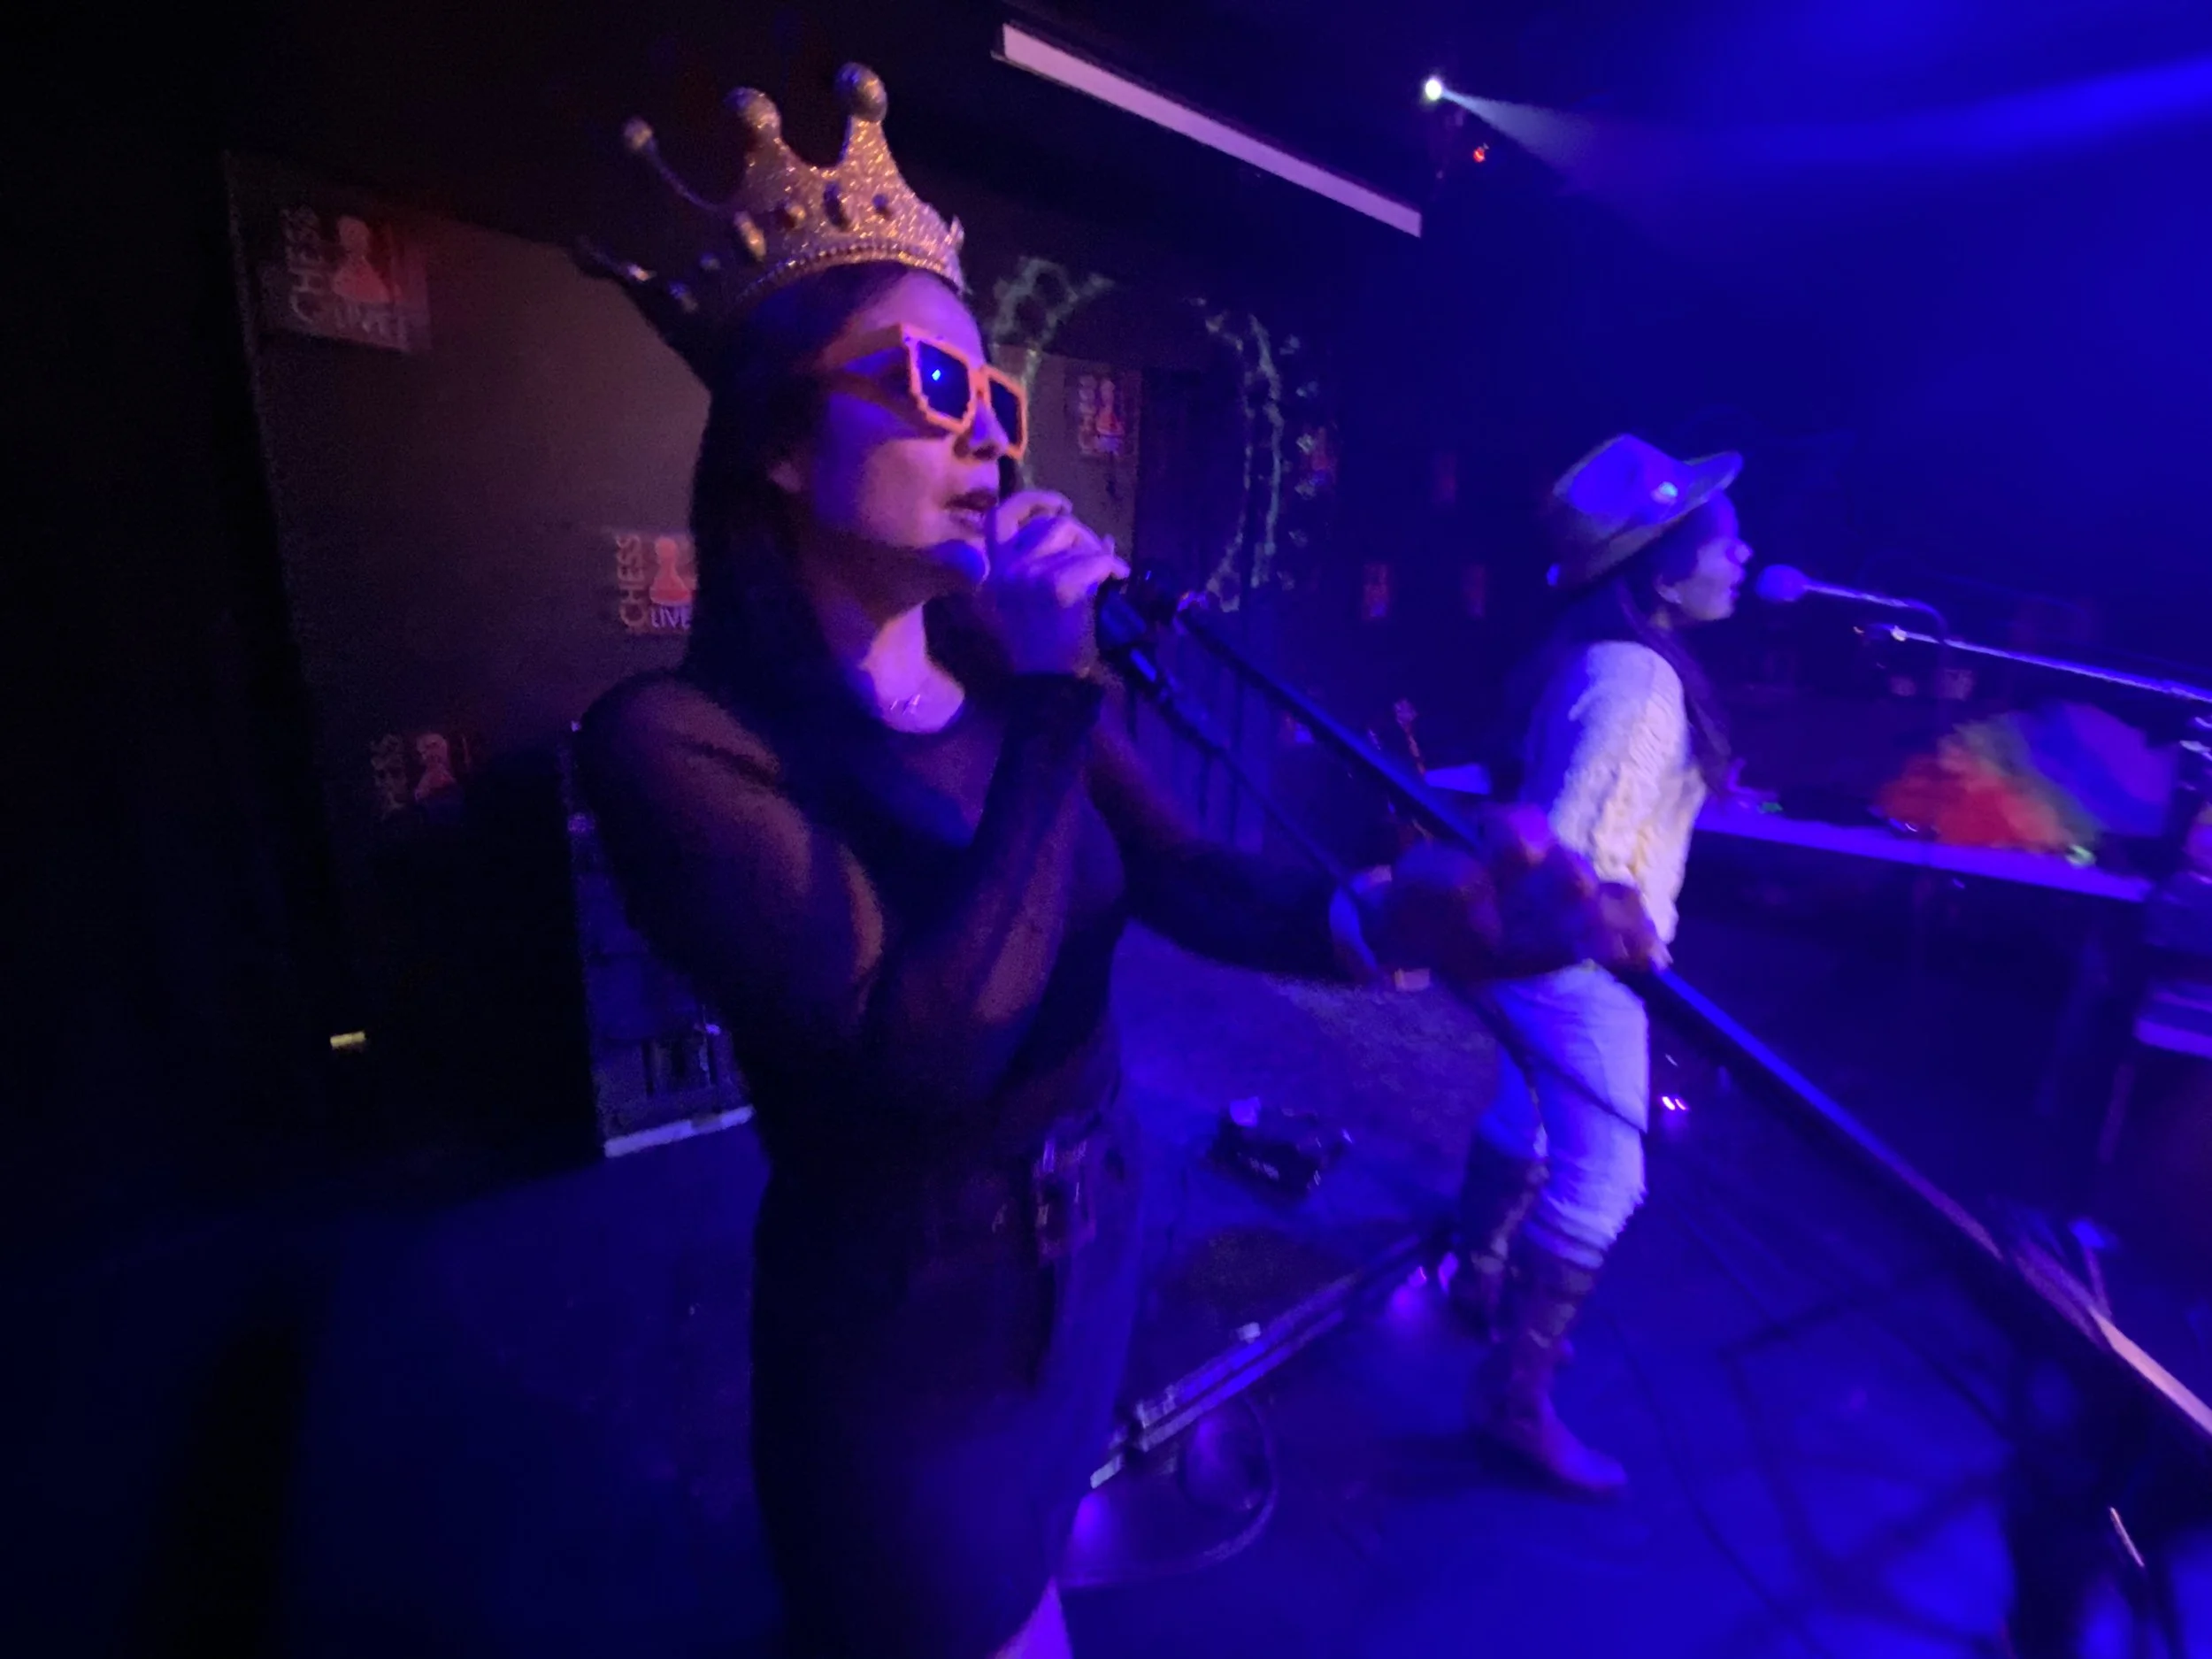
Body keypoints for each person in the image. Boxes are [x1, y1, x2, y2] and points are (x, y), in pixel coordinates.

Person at [572, 65, 1655, 1659]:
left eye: (994, 400)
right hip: (904, 1336)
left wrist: (1416, 919)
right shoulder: (679, 743)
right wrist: (1054, 694)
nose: (986, 436)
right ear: (783, 447)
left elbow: (1189, 876)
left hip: (1089, 1257)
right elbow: (922, 1049)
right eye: (930, 385)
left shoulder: (999, 677)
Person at [1448, 434, 1753, 1498]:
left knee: (1525, 1117)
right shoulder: (1638, 681)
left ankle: (1479, 1277)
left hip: (1534, 957)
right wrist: (1628, 937)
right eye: (1723, 543)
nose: (1743, 557)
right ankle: (1511, 1397)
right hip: (1579, 969)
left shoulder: (1604, 655)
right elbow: (1577, 852)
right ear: (1662, 572)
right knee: (1606, 1178)